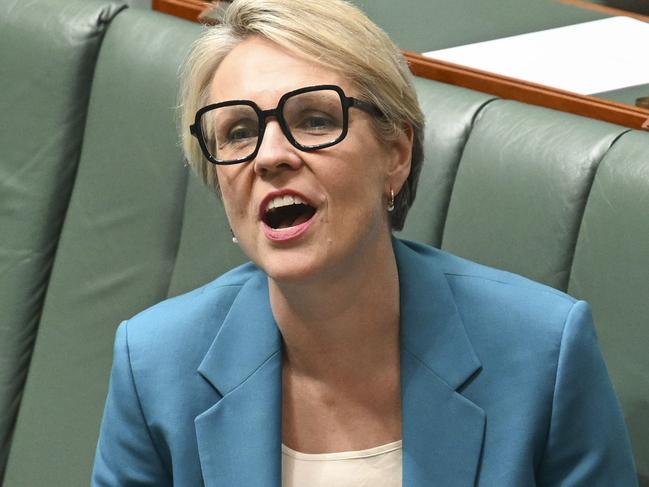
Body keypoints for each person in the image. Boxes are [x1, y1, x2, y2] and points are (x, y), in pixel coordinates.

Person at [91, 0, 638, 485]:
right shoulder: (154, 366)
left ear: (395, 153)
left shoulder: (543, 352)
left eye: (313, 119)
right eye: (237, 131)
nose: (269, 156)